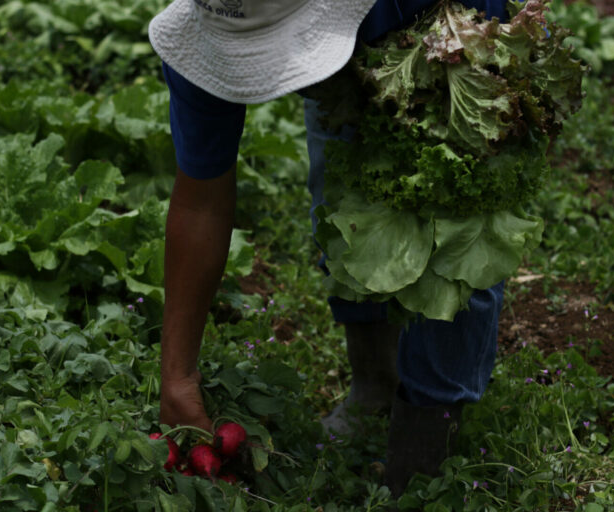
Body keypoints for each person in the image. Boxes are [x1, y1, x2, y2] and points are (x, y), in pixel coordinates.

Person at [149, 0, 508, 496]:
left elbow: (459, 227)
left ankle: (427, 448)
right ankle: (374, 384)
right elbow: (201, 202)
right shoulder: (212, 18)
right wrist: (179, 377)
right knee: (343, 194)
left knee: (454, 228)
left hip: (443, 23)